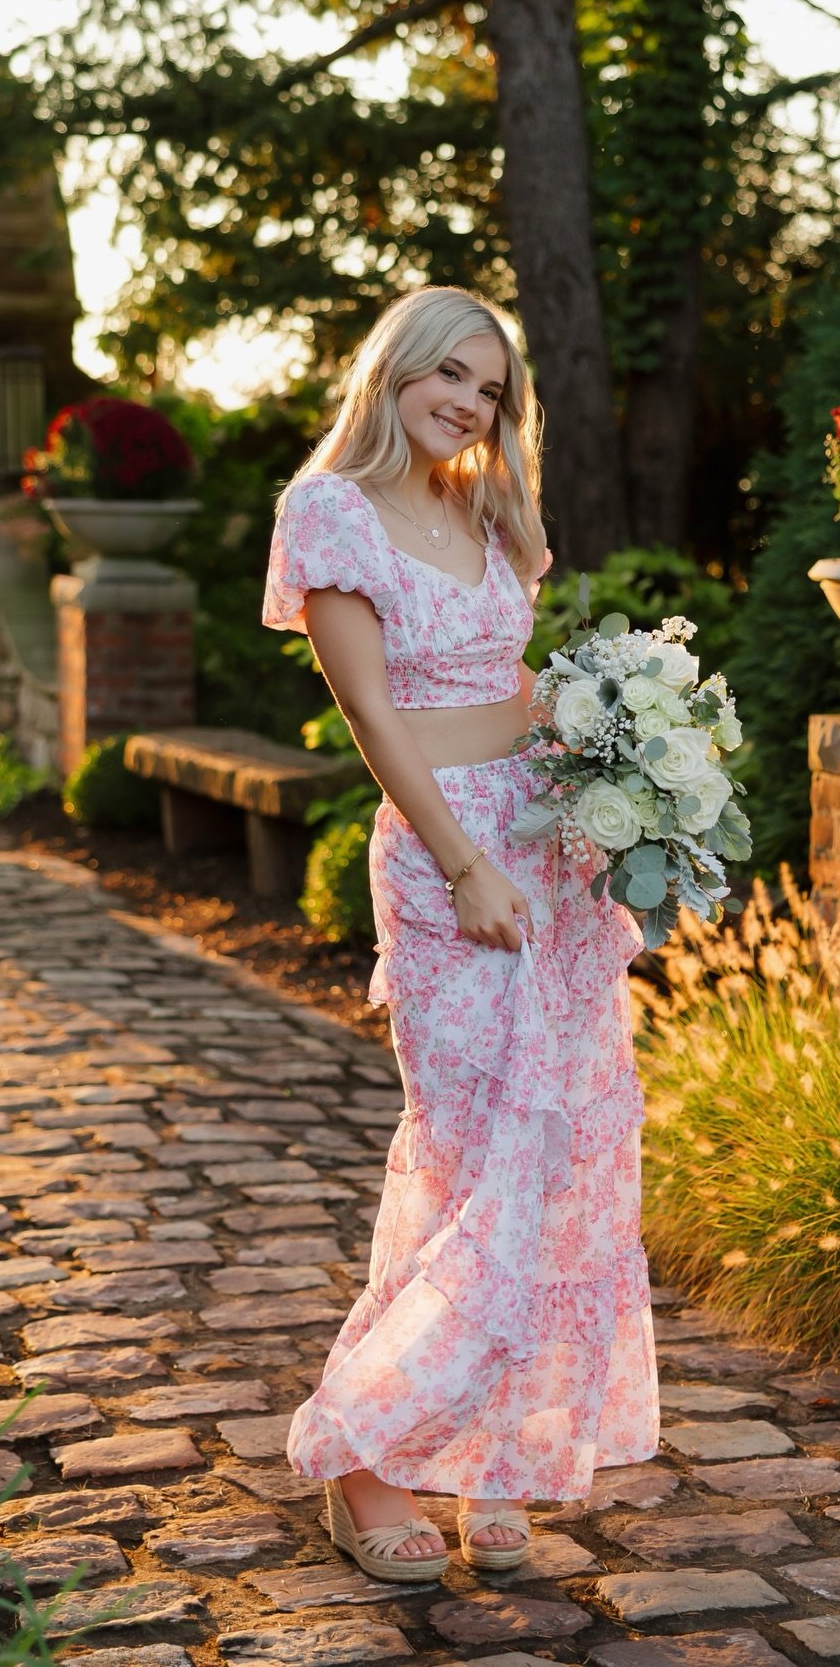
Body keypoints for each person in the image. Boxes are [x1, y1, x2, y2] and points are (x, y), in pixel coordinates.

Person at [261, 286, 660, 1583]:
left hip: (550, 848)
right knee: (472, 1152)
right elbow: (376, 718)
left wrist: (634, 755)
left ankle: (489, 1452)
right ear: (392, 374)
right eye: (447, 375)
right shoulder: (330, 513)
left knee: (566, 1148)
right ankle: (368, 1459)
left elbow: (514, 687)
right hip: (448, 865)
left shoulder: (487, 508)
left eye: (488, 388)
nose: (465, 403)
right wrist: (465, 864)